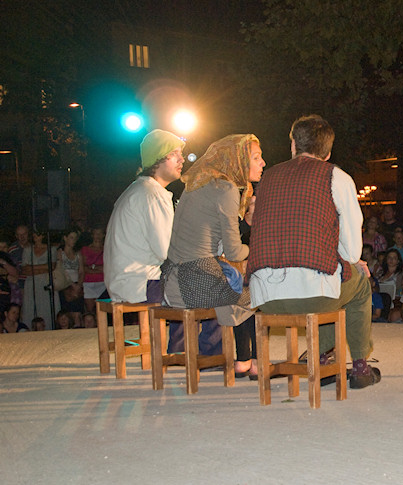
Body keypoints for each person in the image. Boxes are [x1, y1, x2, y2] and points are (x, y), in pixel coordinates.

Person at [246, 114, 380, 388]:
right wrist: (352, 263)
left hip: (265, 297)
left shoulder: (267, 177)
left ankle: (321, 358)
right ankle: (360, 367)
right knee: (357, 282)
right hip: (313, 295)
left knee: (332, 278)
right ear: (328, 152)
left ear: (293, 145)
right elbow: (352, 251)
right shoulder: (336, 176)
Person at [161, 134, 265, 378]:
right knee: (259, 294)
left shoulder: (199, 183)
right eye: (256, 158)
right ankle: (255, 362)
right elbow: (234, 251)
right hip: (195, 281)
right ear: (237, 160)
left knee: (237, 286)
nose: (262, 163)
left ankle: (244, 361)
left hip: (173, 278)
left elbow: (215, 241)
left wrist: (246, 226)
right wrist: (260, 250)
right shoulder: (225, 188)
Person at [105, 129, 185, 305]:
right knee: (210, 292)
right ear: (157, 159)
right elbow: (167, 251)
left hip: (127, 282)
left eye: (181, 154)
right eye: (174, 154)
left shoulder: (140, 189)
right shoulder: (152, 195)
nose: (182, 159)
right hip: (142, 284)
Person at [21, 230, 60, 329]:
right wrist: (44, 267)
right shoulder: (27, 250)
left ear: (43, 236)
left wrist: (32, 267)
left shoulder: (52, 249)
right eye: (33, 234)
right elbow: (25, 270)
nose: (35, 236)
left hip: (46, 283)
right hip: (31, 284)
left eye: (37, 234)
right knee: (30, 308)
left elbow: (52, 267)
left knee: (47, 308)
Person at [80, 226, 106, 315]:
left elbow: (107, 267)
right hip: (88, 283)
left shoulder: (107, 249)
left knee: (102, 311)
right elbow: (84, 267)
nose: (97, 236)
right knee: (90, 311)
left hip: (103, 282)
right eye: (95, 233)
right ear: (92, 235)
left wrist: (92, 267)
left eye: (100, 233)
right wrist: (99, 268)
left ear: (103, 235)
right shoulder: (85, 249)